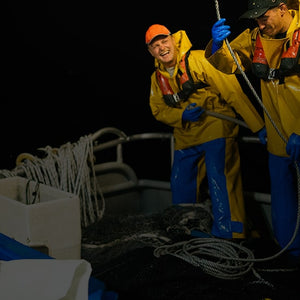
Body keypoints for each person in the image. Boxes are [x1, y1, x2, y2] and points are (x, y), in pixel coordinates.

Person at [145, 24, 265, 240]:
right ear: (150, 51)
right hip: (186, 134)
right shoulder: (157, 78)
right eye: (155, 46)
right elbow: (158, 109)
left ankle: (233, 234)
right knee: (180, 180)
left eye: (164, 41)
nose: (161, 48)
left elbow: (233, 92)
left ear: (173, 40)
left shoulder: (200, 59)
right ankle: (185, 230)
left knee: (220, 179)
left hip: (215, 126)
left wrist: (259, 126)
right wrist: (182, 115)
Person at [206, 0, 300, 262]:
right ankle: (289, 255)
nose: (260, 23)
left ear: (282, 7)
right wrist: (216, 44)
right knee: (283, 203)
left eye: (264, 16)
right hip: (278, 139)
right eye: (255, 19)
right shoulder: (255, 37)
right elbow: (228, 62)